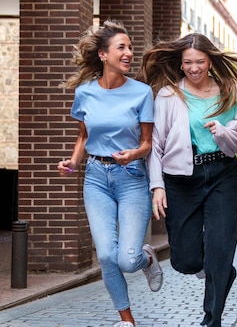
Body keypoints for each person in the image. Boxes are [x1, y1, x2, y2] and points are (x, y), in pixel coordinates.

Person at [137, 33, 237, 327]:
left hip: (222, 174)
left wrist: (222, 132)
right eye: (188, 62)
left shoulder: (231, 92)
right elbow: (155, 146)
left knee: (219, 253)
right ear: (181, 63)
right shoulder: (167, 95)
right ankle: (220, 269)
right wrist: (157, 186)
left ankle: (212, 318)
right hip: (181, 180)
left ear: (210, 60)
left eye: (199, 61)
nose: (194, 68)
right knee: (185, 260)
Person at [57, 20, 163, 327]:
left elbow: (147, 143)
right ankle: (127, 321)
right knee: (105, 256)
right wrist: (73, 162)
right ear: (103, 55)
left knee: (127, 260)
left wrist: (133, 154)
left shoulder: (142, 93)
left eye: (130, 47)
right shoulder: (85, 93)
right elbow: (83, 137)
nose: (129, 53)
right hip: (95, 178)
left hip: (131, 178)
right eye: (122, 48)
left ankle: (146, 257)